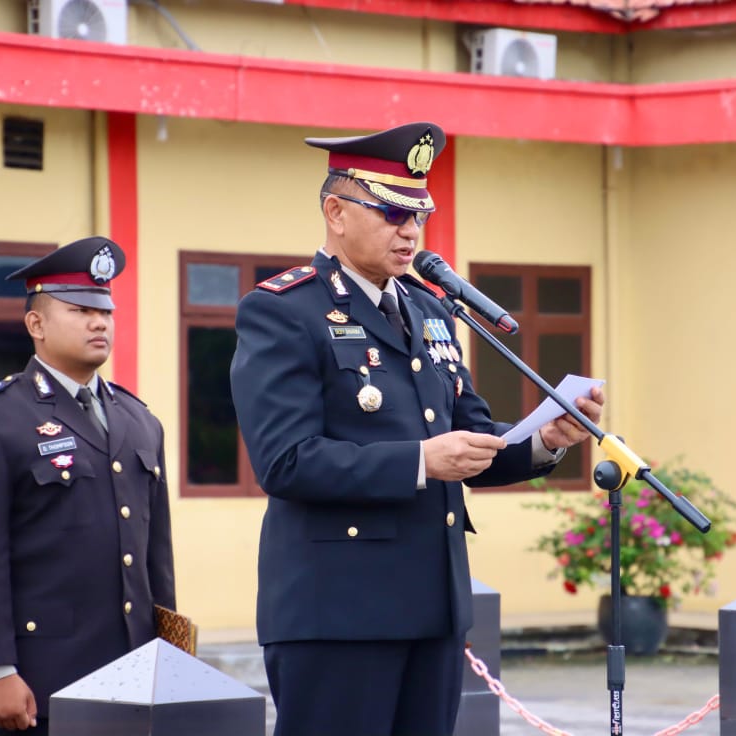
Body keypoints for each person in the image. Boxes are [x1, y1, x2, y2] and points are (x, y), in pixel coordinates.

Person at [229, 122, 605, 736]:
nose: (410, 232)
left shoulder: (431, 310)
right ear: (336, 211)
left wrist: (543, 439)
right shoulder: (281, 310)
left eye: (418, 216)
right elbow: (285, 462)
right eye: (392, 213)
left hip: (433, 607)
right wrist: (421, 461)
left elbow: (471, 434)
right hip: (338, 611)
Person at [0, 236, 175, 735]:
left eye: (105, 310)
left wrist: (171, 658)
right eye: (80, 309)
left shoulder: (139, 421)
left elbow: (155, 556)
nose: (99, 322)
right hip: (40, 684)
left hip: (134, 677)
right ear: (35, 324)